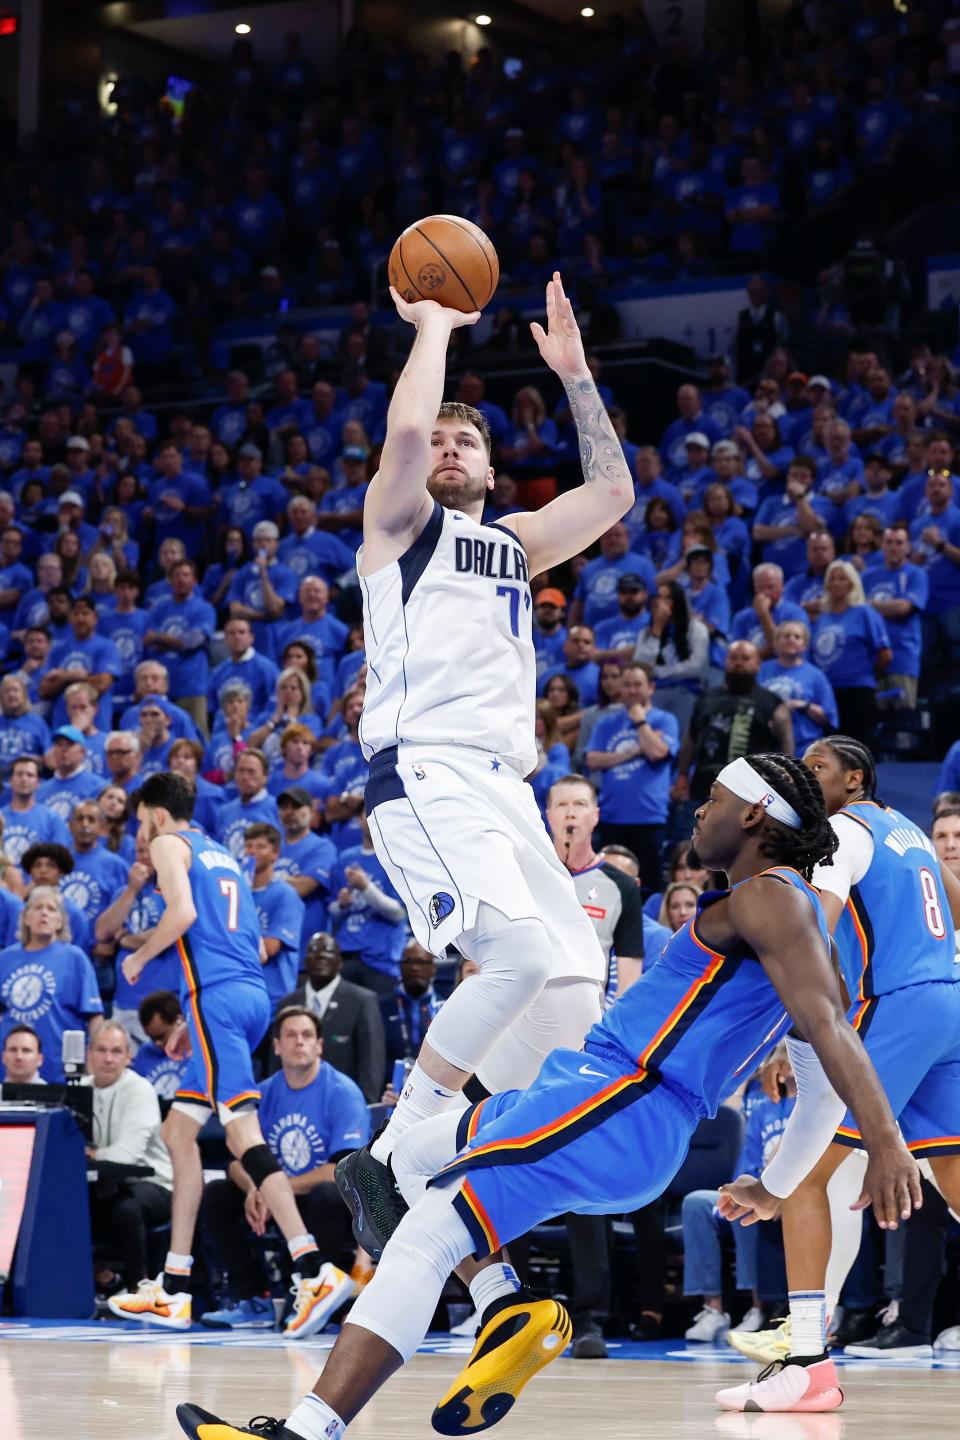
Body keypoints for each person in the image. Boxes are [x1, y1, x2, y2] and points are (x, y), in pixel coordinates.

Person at [176, 751, 921, 1440]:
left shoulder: (772, 899)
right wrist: (778, 1184)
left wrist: (886, 1142)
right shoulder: (791, 920)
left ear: (755, 815)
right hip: (599, 1097)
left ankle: (308, 1430)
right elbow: (820, 1068)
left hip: (620, 1098)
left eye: (716, 799)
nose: (699, 811)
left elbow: (830, 1035)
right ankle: (506, 1306)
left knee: (431, 1228)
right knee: (398, 1161)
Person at [334, 272, 623, 1257]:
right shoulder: (398, 525)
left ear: (496, 472)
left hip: (510, 791)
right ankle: (395, 1141)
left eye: (472, 441)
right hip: (426, 772)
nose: (449, 447)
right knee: (522, 955)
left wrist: (578, 377)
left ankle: (439, 1190)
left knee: (574, 1019)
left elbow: (615, 491)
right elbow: (407, 438)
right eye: (443, 440)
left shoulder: (513, 542)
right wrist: (433, 327)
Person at [719, 734, 960, 1412]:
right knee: (956, 1176)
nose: (805, 772)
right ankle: (804, 1353)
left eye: (818, 766)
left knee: (802, 1177)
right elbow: (956, 909)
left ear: (854, 780)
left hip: (899, 1008)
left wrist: (782, 1033)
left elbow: (809, 935)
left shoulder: (838, 833)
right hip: (949, 1001)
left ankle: (807, 1363)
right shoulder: (908, 830)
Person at [107, 772, 353, 1337]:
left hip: (217, 1001)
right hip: (244, 998)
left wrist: (141, 957)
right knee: (178, 1133)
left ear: (158, 814)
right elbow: (232, 939)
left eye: (143, 823)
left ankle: (311, 1267)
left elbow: (184, 917)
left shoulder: (171, 844)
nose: (143, 836)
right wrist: (194, 1028)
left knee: (242, 1133)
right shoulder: (222, 854)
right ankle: (173, 1285)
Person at [542, 773, 648, 1356]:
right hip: (521, 1045)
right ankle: (495, 1300)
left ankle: (589, 1317)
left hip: (587, 1049)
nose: (570, 814)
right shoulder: (525, 876)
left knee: (580, 1177)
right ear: (547, 813)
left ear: (596, 814)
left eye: (580, 804)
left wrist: (613, 1051)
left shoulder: (617, 886)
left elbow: (627, 980)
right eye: (561, 805)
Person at [198, 1005, 371, 1334]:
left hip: (327, 1199)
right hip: (272, 1197)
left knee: (326, 1194)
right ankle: (251, 1299)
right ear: (276, 1046)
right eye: (290, 1035)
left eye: (307, 1035)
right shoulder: (262, 1093)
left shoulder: (342, 1091)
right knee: (219, 1192)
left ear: (320, 1044)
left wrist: (274, 1188)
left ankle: (322, 1291)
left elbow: (341, 1169)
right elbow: (237, 1160)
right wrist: (253, 1187)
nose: (299, 1042)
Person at [83, 1020, 174, 1295]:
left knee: (126, 1209)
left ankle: (139, 1288)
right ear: (89, 1053)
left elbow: (127, 1156)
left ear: (128, 1056)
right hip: (104, 1183)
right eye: (101, 1050)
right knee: (63, 1205)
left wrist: (92, 1155)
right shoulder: (79, 1088)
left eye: (116, 1051)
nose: (108, 1059)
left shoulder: (140, 1089)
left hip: (155, 1182)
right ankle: (98, 1280)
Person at [584, 661, 679, 892]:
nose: (632, 690)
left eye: (638, 685)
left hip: (648, 817)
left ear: (651, 688)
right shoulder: (607, 723)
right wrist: (635, 751)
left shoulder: (664, 720)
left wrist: (639, 721)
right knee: (609, 888)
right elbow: (592, 760)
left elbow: (657, 752)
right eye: (626, 685)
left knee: (647, 888)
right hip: (611, 817)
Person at [0, 886, 103, 1080]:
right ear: (25, 918)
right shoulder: (5, 959)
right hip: (10, 1070)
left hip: (59, 1069)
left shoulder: (74, 958)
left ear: (60, 921)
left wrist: (91, 1062)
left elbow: (94, 1017)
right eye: (38, 907)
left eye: (51, 908)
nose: (44, 913)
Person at [672, 642, 794, 805]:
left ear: (757, 664)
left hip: (751, 794)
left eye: (745, 658)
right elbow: (690, 740)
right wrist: (682, 775)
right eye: (734, 658)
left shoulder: (771, 703)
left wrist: (783, 783)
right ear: (725, 661)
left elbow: (786, 744)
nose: (739, 662)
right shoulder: (706, 699)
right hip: (704, 789)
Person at [277, 932, 386, 1104]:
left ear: (340, 962)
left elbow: (372, 1063)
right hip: (293, 1106)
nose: (321, 956)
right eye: (314, 951)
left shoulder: (363, 1001)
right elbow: (276, 1061)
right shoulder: (287, 1004)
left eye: (328, 951)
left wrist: (365, 1106)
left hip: (345, 1104)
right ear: (305, 962)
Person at [328, 805, 407, 998]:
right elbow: (332, 910)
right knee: (344, 1026)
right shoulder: (345, 858)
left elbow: (399, 914)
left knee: (376, 1025)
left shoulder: (395, 858)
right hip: (346, 954)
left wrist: (366, 888)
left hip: (380, 959)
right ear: (359, 819)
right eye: (366, 813)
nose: (371, 818)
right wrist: (341, 904)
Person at [810, 561, 892, 746]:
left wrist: (863, 674)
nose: (837, 583)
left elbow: (885, 654)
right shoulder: (822, 618)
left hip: (858, 691)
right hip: (828, 692)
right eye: (832, 579)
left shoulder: (865, 613)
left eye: (842, 578)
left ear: (852, 583)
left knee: (857, 750)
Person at [244, 822, 306, 1013]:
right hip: (243, 993)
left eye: (261, 847)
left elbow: (270, 947)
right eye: (249, 846)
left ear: (275, 853)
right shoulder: (238, 893)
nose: (253, 852)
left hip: (274, 997)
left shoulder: (285, 895)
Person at [759, 620, 839, 754]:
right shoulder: (761, 670)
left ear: (805, 645)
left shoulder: (816, 675)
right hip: (765, 745)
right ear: (776, 642)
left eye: (797, 637)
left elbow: (829, 717)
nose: (791, 640)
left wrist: (801, 705)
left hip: (803, 748)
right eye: (786, 636)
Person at [379, 941, 442, 1079]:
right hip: (389, 1088)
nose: (414, 967)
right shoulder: (381, 1007)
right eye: (408, 962)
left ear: (433, 968)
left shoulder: (445, 1007)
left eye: (421, 962)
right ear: (400, 966)